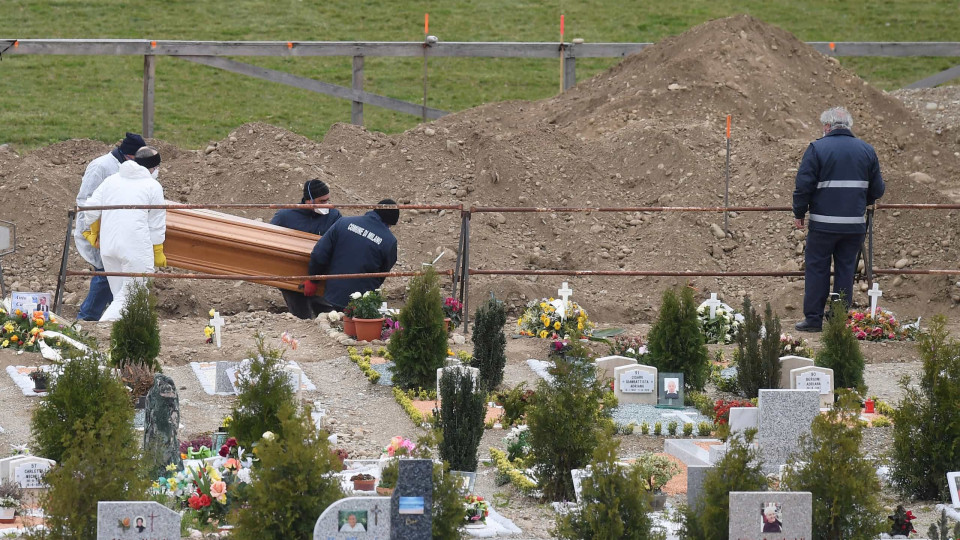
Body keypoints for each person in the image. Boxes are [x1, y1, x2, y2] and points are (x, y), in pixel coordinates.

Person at [793, 107, 885, 332]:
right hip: (853, 225)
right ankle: (838, 320)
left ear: (827, 126)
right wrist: (864, 200)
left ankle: (813, 320)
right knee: (845, 270)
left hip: (823, 225)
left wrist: (799, 213)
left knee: (817, 269)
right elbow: (878, 189)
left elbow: (803, 185)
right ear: (848, 126)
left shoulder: (817, 148)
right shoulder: (867, 150)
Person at [81, 147, 167, 322]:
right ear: (152, 168)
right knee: (131, 296)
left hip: (108, 248)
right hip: (134, 247)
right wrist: (157, 249)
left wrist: (93, 232)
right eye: (157, 168)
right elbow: (156, 224)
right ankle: (102, 328)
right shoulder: (152, 186)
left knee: (120, 294)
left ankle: (132, 333)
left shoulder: (111, 181)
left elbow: (89, 210)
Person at [74, 132, 146, 320]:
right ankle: (87, 318)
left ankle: (102, 315)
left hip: (118, 230)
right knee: (105, 273)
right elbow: (85, 200)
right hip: (97, 228)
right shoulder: (101, 167)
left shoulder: (126, 169)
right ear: (130, 155)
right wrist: (92, 230)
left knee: (112, 274)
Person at [303, 199, 399, 311]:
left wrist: (313, 280)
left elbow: (319, 253)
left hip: (331, 298)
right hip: (360, 306)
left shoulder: (343, 223)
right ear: (389, 222)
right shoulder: (389, 241)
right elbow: (381, 275)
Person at [270, 179, 342, 319]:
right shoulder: (286, 216)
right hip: (293, 278)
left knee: (331, 317)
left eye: (328, 200)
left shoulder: (333, 216)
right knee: (302, 318)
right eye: (322, 201)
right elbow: (271, 239)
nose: (326, 205)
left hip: (322, 276)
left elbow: (338, 245)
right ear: (308, 200)